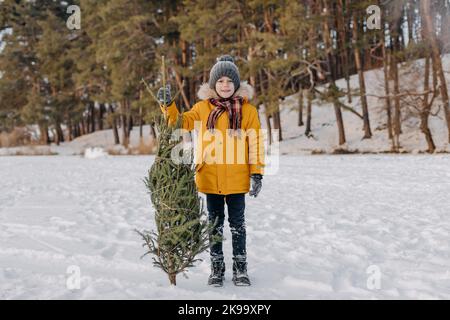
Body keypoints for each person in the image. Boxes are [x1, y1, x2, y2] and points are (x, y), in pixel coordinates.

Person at [157, 55, 264, 287]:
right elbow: (180, 123)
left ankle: (240, 268)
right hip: (210, 177)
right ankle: (217, 268)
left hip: (237, 179)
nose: (225, 85)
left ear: (236, 84)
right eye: (220, 81)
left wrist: (257, 173)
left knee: (237, 225)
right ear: (213, 84)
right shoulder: (202, 108)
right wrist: (168, 106)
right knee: (214, 225)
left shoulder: (248, 111)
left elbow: (255, 143)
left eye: (229, 81)